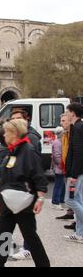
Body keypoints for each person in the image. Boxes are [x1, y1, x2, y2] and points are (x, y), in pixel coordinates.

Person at [0, 118, 50, 267]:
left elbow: (39, 176)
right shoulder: (11, 151)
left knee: (30, 236)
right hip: (7, 201)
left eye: (6, 133)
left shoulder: (28, 151)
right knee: (4, 235)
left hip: (22, 201)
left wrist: (40, 199)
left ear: (14, 133)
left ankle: (43, 264)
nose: (3, 135)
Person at [63, 103, 83, 243]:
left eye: (67, 112)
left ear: (73, 113)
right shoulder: (79, 127)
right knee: (78, 200)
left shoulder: (77, 128)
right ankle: (80, 234)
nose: (66, 115)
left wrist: (73, 175)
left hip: (76, 172)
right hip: (78, 171)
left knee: (69, 200)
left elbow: (77, 152)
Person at [56, 113, 76, 225]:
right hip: (66, 168)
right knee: (70, 195)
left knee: (73, 196)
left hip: (73, 170)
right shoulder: (65, 134)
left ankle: (78, 223)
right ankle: (71, 213)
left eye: (63, 121)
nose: (61, 123)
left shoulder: (74, 134)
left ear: (70, 121)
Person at [51, 126, 66, 210]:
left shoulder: (60, 141)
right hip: (60, 167)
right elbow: (57, 156)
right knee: (59, 184)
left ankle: (61, 200)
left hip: (61, 167)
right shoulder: (57, 142)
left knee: (62, 183)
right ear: (61, 134)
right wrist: (62, 166)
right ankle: (55, 202)